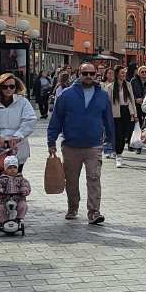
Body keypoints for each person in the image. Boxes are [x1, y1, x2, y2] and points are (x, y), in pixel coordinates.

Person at [46, 62, 113, 224]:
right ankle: (73, 207)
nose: (88, 76)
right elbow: (56, 119)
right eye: (85, 73)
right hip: (71, 146)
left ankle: (94, 212)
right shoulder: (66, 95)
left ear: (97, 74)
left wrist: (111, 141)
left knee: (94, 178)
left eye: (91, 73)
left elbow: (109, 120)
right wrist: (51, 141)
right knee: (71, 180)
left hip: (94, 145)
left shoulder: (103, 95)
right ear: (79, 74)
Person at [0, 72, 38, 181]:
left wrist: (18, 136)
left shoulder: (23, 102)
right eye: (5, 87)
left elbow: (30, 120)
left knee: (16, 181)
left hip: (17, 146)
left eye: (11, 86)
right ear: (0, 87)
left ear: (16, 87)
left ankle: (17, 197)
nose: (8, 89)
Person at [107, 65, 137, 166]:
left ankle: (118, 151)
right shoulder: (110, 87)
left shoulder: (128, 85)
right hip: (115, 111)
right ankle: (118, 155)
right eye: (122, 73)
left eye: (124, 73)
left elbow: (132, 99)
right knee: (118, 134)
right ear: (117, 74)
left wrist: (135, 114)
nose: (124, 74)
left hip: (126, 111)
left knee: (125, 134)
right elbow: (108, 103)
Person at [0, 162, 32, 231]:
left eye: (14, 167)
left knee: (23, 205)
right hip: (5, 200)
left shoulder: (21, 179)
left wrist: (24, 190)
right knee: (0, 208)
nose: (12, 170)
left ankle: (19, 219)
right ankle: (3, 221)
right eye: (10, 168)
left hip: (18, 199)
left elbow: (26, 186)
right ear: (5, 169)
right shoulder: (2, 180)